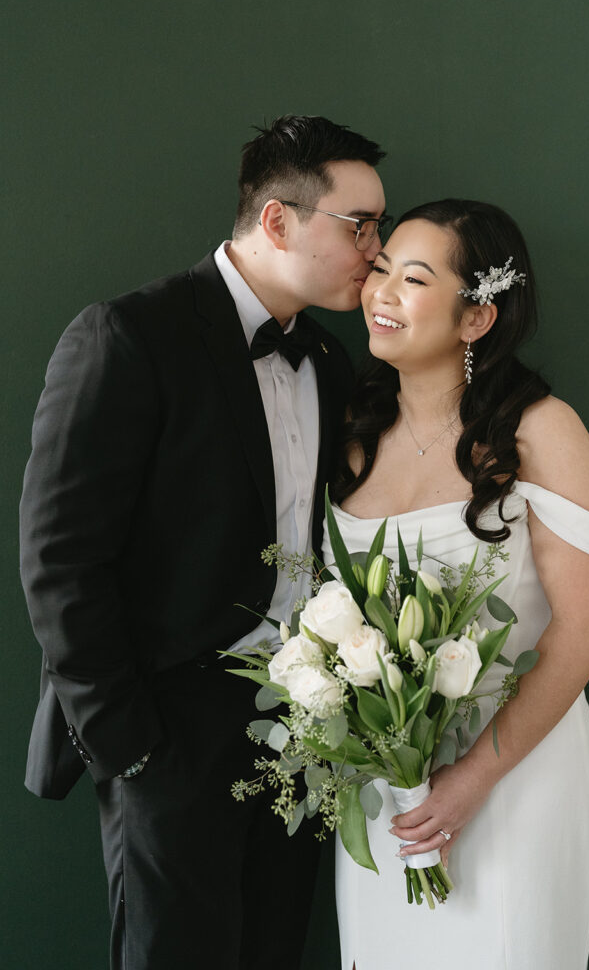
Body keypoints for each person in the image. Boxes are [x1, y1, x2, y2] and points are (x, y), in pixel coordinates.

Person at [19, 114, 388, 970]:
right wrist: (132, 747)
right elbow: (60, 559)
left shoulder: (331, 363)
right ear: (277, 221)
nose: (375, 247)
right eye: (358, 224)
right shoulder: (128, 336)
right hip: (167, 734)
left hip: (302, 732)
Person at [325, 199, 589, 970]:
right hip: (384, 788)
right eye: (382, 268)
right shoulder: (350, 434)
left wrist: (474, 777)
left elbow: (586, 625)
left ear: (475, 319)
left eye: (415, 279)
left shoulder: (539, 430)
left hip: (516, 771)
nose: (381, 291)